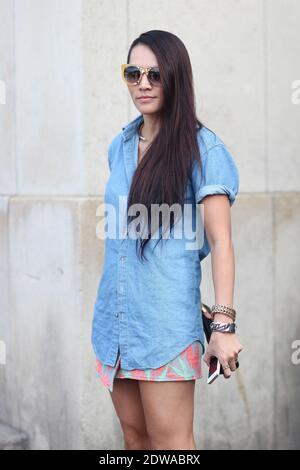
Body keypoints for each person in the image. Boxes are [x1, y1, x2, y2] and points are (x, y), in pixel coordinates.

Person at [91, 29, 243, 451]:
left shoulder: (203, 150)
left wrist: (224, 325)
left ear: (175, 78)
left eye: (155, 74)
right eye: (133, 72)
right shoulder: (119, 146)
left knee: (171, 444)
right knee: (135, 440)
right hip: (117, 324)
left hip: (164, 330)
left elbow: (222, 243)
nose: (142, 83)